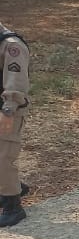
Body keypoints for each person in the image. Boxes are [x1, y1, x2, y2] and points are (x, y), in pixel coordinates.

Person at [0, 21, 31, 227]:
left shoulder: (12, 46)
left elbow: (16, 81)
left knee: (3, 157)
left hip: (7, 111)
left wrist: (8, 111)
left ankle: (13, 207)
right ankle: (9, 188)